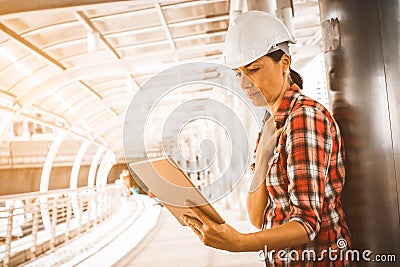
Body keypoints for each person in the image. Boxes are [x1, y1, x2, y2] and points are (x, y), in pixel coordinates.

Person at [182, 11, 352, 266]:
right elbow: (257, 216)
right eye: (239, 73)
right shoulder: (271, 126)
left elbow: (307, 224)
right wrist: (262, 159)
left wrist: (239, 242)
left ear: (284, 63)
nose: (244, 83)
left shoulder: (303, 119)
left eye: (254, 69)